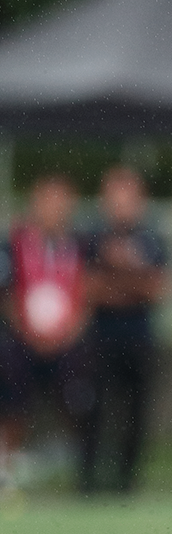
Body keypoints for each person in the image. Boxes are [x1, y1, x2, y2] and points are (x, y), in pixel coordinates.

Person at [78, 166, 170, 494]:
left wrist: (120, 271)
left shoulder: (153, 239)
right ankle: (88, 481)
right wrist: (134, 282)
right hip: (100, 339)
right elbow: (88, 289)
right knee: (93, 410)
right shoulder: (90, 238)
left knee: (136, 413)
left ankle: (126, 482)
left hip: (139, 339)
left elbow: (161, 289)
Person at [0, 175, 89, 491]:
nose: (54, 209)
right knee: (13, 407)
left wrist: (68, 332)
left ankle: (79, 477)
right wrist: (27, 332)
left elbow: (86, 291)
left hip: (67, 341)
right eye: (47, 201)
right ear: (35, 204)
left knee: (80, 403)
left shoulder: (80, 244)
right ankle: (6, 473)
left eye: (61, 202)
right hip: (22, 339)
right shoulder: (14, 242)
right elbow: (7, 291)